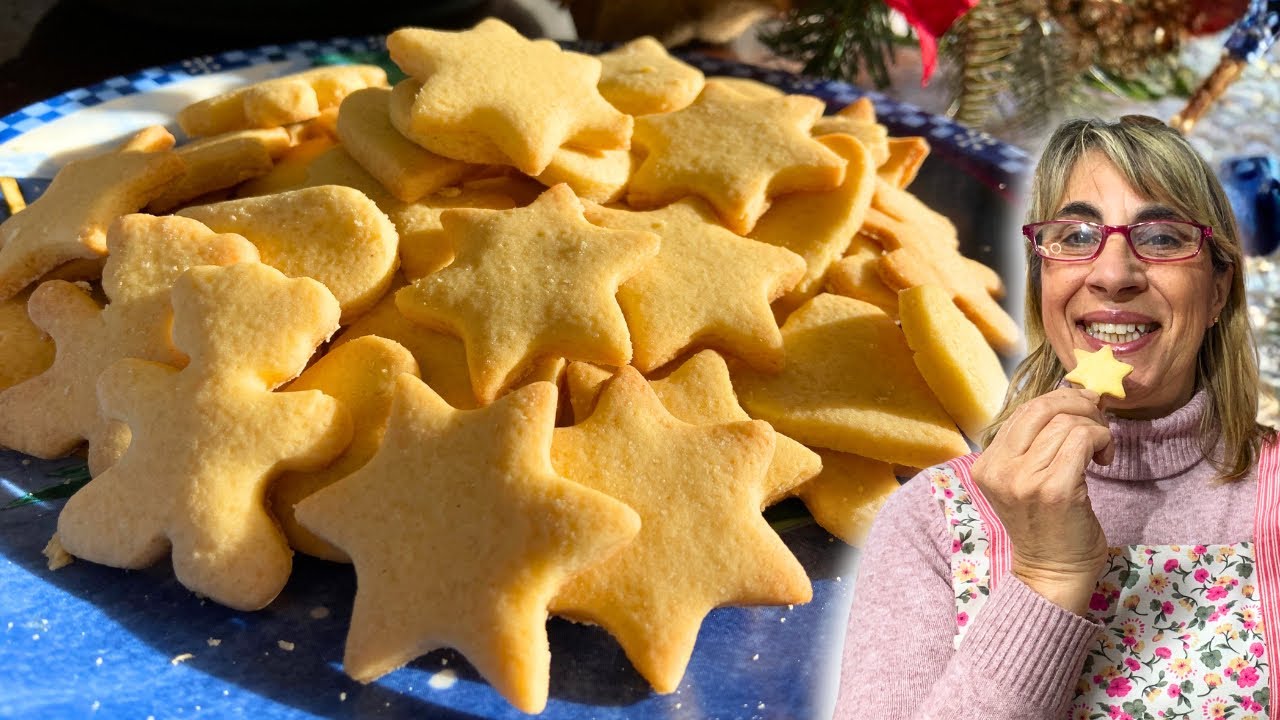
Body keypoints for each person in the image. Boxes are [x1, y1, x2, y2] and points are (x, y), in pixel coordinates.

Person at [833, 114, 1279, 719]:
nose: (1114, 275)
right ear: (1043, 282)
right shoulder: (932, 522)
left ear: (1219, 289)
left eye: (1164, 237)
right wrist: (1048, 577)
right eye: (1074, 237)